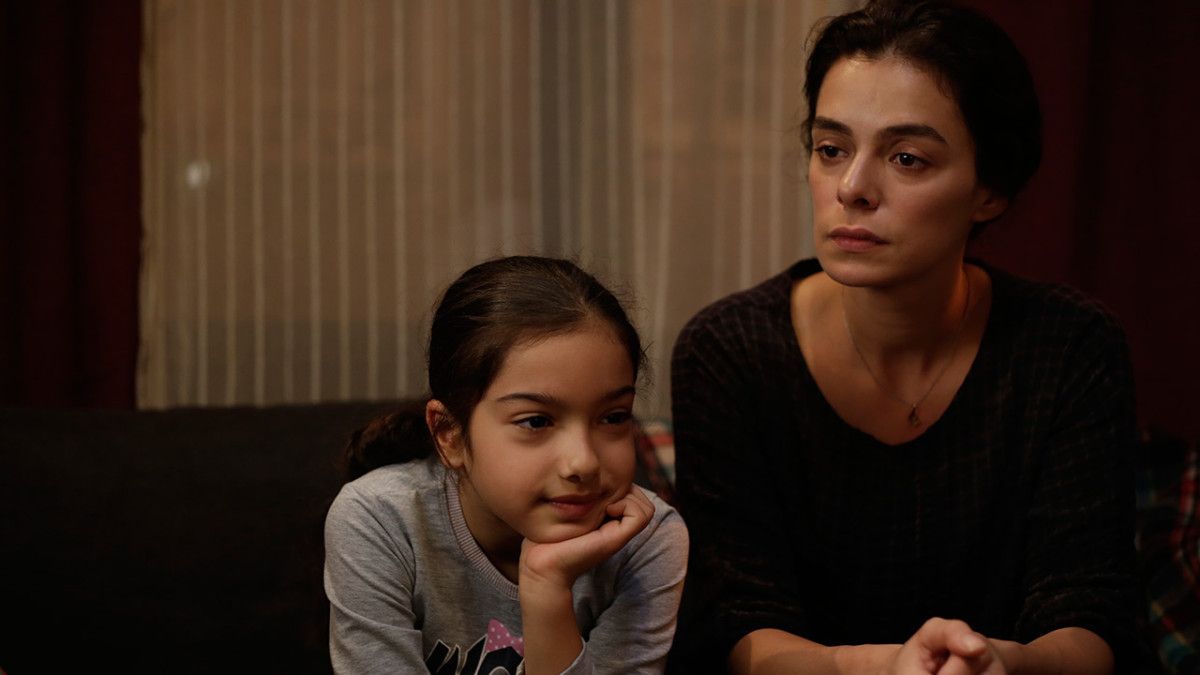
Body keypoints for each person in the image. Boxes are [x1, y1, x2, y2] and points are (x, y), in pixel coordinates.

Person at [666, 1, 1137, 673]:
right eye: (831, 149)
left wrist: (995, 662)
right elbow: (740, 631)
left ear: (989, 190)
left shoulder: (1069, 347)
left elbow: (1092, 620)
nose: (852, 187)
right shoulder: (730, 352)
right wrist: (886, 667)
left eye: (907, 158)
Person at [325, 256, 688, 675]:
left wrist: (547, 587)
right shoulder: (380, 519)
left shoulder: (648, 541)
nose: (583, 462)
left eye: (613, 417)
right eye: (536, 421)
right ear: (449, 434)